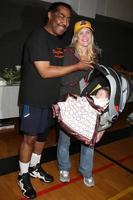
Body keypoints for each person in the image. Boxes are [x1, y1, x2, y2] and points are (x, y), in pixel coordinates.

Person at [18, 3, 92, 199]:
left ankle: (35, 167)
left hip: (51, 99)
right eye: (61, 16)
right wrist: (77, 67)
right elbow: (45, 71)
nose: (64, 22)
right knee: (30, 138)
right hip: (33, 97)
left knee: (42, 137)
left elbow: (66, 68)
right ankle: (23, 175)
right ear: (50, 15)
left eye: (68, 19)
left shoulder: (59, 43)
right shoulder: (37, 37)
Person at [57, 20, 102, 188]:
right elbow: (64, 79)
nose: (85, 36)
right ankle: (64, 167)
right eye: (81, 33)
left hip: (88, 103)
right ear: (76, 36)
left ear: (91, 35)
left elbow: (98, 81)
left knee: (88, 139)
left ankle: (86, 171)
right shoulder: (68, 53)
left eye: (87, 32)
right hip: (69, 100)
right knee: (65, 138)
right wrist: (81, 67)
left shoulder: (96, 55)